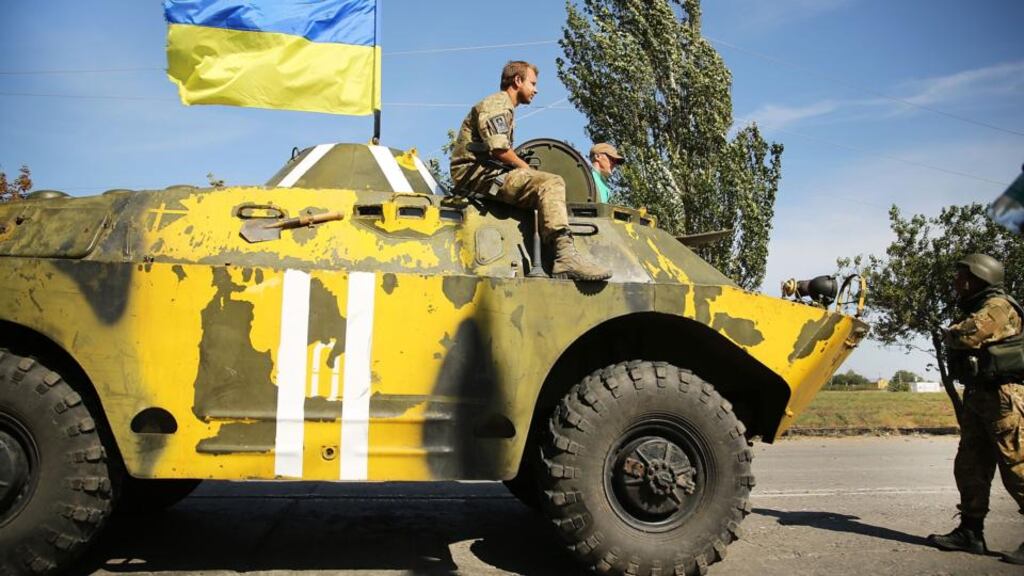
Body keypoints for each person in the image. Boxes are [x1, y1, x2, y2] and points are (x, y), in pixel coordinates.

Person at [449, 60, 611, 282]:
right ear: (517, 81)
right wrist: (524, 167)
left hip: (484, 173)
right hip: (477, 176)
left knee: (539, 180)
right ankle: (565, 256)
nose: (536, 89)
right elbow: (499, 148)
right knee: (550, 183)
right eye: (532, 83)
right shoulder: (498, 103)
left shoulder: (505, 108)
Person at [928, 253, 1024, 565]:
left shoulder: (998, 306)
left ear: (980, 277)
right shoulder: (978, 306)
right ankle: (970, 532)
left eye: (962, 276)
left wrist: (950, 332)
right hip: (980, 396)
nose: (957, 282)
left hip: (1003, 398)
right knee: (970, 466)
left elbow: (968, 335)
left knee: (1017, 467)